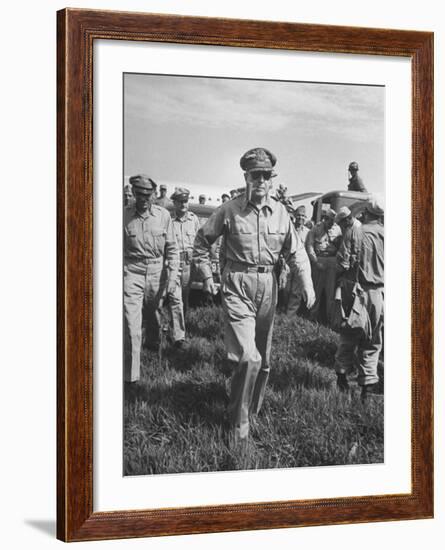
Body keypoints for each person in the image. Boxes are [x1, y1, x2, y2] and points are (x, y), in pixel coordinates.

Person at [193, 147, 315, 447]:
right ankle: (239, 423)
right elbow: (201, 241)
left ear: (272, 180)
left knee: (265, 360)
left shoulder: (282, 213)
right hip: (237, 283)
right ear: (245, 177)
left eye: (265, 176)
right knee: (249, 357)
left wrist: (307, 284)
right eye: (254, 175)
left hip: (268, 286)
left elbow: (296, 252)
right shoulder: (230, 210)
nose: (260, 181)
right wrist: (209, 277)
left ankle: (253, 409)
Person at [123, 175, 179, 383]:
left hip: (157, 271)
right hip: (131, 270)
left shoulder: (163, 216)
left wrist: (172, 277)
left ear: (154, 195)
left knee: (154, 313)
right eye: (139, 194)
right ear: (133, 193)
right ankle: (131, 378)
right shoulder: (123, 215)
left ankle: (153, 345)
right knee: (131, 323)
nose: (143, 199)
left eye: (147, 195)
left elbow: (172, 249)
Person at [334, 195, 384, 401]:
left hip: (355, 291)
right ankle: (367, 389)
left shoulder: (356, 231)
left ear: (365, 213)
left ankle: (342, 378)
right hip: (379, 293)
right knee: (373, 341)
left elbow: (342, 263)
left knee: (348, 335)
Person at [168, 187, 200, 349]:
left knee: (184, 299)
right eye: (180, 201)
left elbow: (199, 241)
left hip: (189, 263)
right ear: (174, 202)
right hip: (173, 264)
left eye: (185, 201)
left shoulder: (193, 219)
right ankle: (178, 337)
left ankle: (178, 326)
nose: (183, 204)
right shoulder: (168, 220)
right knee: (176, 299)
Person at [306, 208, 342, 324]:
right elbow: (309, 246)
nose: (331, 224)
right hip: (319, 259)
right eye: (329, 222)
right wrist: (316, 261)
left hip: (332, 261)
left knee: (330, 292)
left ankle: (329, 320)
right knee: (316, 290)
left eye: (333, 222)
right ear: (324, 219)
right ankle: (312, 317)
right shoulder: (315, 229)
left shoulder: (337, 229)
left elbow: (341, 246)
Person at [286, 205, 310, 316]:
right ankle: (280, 309)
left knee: (296, 290)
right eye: (299, 215)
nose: (301, 218)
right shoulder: (289, 228)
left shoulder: (308, 232)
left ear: (306, 218)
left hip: (299, 264)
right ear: (295, 216)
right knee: (285, 288)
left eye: (303, 216)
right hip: (287, 263)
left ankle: (290, 314)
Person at [335, 206, 362, 280]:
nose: (341, 225)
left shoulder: (356, 228)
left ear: (346, 219)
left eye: (341, 223)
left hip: (349, 266)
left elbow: (356, 250)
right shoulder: (349, 227)